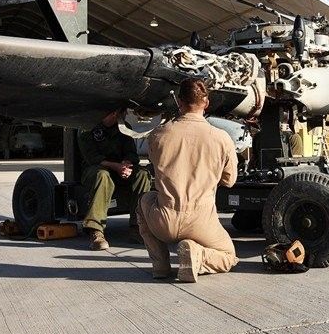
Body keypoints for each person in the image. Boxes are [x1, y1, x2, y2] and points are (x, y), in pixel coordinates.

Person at [137, 78, 238, 282]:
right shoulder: (222, 138)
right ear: (206, 102)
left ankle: (160, 266)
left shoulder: (157, 135)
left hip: (164, 220)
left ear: (179, 102)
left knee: (145, 200)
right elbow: (229, 181)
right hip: (201, 221)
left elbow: (156, 166)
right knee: (228, 256)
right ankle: (197, 255)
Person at [78, 108, 151, 250]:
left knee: (142, 174)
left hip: (119, 169)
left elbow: (131, 153)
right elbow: (93, 158)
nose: (118, 115)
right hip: (95, 169)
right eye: (114, 112)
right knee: (103, 176)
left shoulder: (123, 128)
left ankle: (137, 226)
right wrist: (117, 167)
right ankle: (96, 230)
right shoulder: (87, 129)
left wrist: (126, 165)